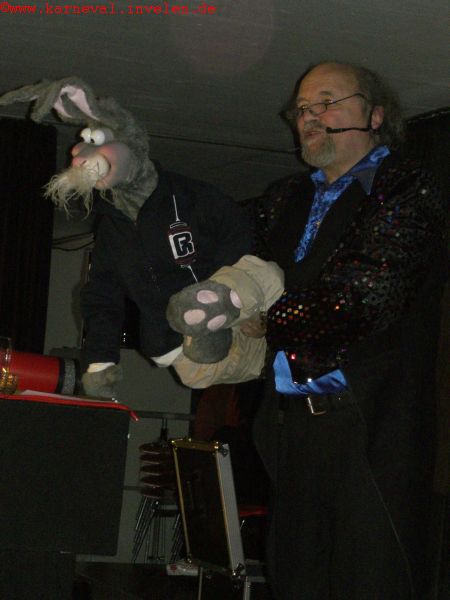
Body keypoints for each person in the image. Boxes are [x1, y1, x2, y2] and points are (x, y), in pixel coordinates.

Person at [249, 62, 447, 599]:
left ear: (375, 115)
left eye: (327, 102)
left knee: (371, 578)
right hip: (292, 424)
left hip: (370, 426)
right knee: (296, 579)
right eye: (302, 109)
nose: (311, 117)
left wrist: (265, 320)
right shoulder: (282, 198)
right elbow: (241, 276)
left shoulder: (407, 186)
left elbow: (362, 299)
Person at [80, 167, 252, 395]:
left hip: (225, 320)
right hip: (172, 345)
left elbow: (236, 231)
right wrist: (100, 360)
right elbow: (103, 298)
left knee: (268, 277)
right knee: (208, 382)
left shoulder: (185, 196)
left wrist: (233, 300)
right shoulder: (111, 232)